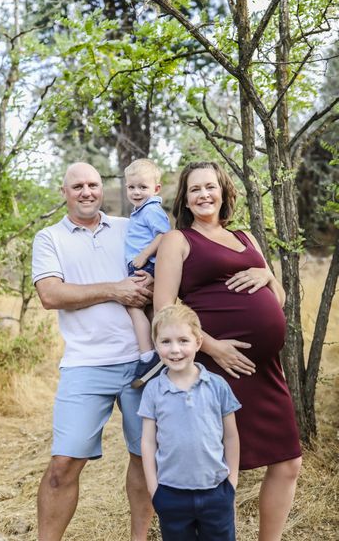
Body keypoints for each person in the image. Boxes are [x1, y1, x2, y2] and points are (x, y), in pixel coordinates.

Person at [154, 161, 302, 541]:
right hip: (213, 368)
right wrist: (213, 347)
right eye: (194, 190)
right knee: (213, 468)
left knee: (288, 462)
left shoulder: (247, 237)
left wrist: (268, 276)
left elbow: (280, 299)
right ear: (185, 200)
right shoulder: (178, 240)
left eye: (210, 187)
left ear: (223, 191)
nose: (204, 195)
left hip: (264, 369)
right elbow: (164, 309)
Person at [31, 162, 154, 541]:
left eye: (94, 184)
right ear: (64, 192)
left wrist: (151, 277)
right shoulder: (49, 238)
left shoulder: (128, 226)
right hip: (85, 365)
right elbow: (51, 294)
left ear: (103, 188)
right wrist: (115, 289)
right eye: (78, 186)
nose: (87, 191)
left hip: (142, 363)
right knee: (63, 465)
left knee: (145, 458)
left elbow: (162, 263)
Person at [139, 303, 241, 541]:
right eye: (166, 342)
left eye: (183, 340)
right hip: (171, 494)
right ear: (156, 345)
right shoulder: (153, 391)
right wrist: (155, 490)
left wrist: (232, 481)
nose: (175, 350)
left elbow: (231, 436)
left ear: (198, 342)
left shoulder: (217, 386)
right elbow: (148, 442)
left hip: (216, 491)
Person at [124, 158, 171, 388]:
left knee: (132, 305)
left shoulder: (151, 209)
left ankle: (147, 356)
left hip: (146, 265)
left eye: (143, 187)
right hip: (144, 265)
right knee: (151, 309)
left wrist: (143, 256)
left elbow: (165, 235)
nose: (136, 192)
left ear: (156, 189)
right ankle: (161, 352)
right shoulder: (140, 211)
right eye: (131, 187)